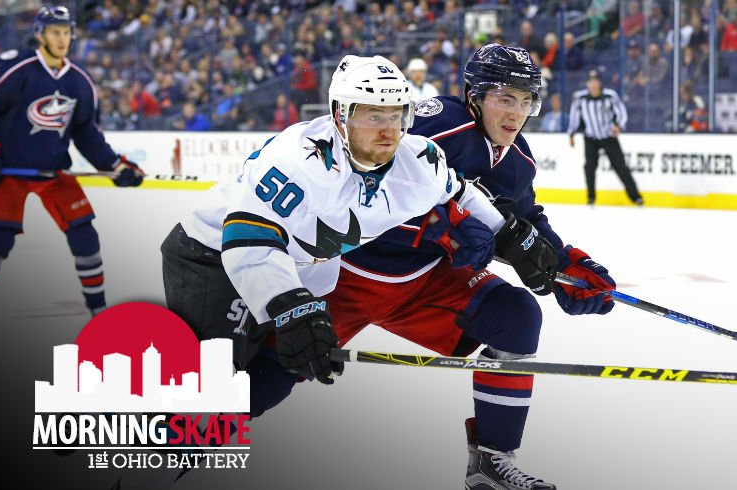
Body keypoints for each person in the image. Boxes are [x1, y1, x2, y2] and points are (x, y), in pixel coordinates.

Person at [161, 53, 558, 446]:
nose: (388, 131)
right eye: (373, 115)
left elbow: (460, 191)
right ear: (340, 115)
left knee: (264, 385)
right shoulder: (298, 160)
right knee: (212, 398)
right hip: (213, 258)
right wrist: (293, 310)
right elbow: (249, 240)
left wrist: (507, 235)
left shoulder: (415, 157)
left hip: (297, 266)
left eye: (396, 115)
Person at [0, 5, 144, 344]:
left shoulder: (79, 82)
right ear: (41, 35)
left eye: (66, 32)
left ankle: (99, 315)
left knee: (86, 237)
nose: (62, 38)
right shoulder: (21, 69)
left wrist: (116, 166)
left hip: (54, 173)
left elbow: (87, 135)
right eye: (55, 32)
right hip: (10, 171)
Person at [568, 69, 644, 206]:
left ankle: (636, 197)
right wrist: (571, 133)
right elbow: (574, 116)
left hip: (608, 136)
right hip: (591, 137)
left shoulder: (610, 96)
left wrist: (619, 126)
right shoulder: (580, 98)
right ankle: (591, 198)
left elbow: (621, 112)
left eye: (596, 81)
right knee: (589, 167)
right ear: (587, 83)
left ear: (600, 82)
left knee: (621, 167)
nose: (594, 84)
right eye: (591, 81)